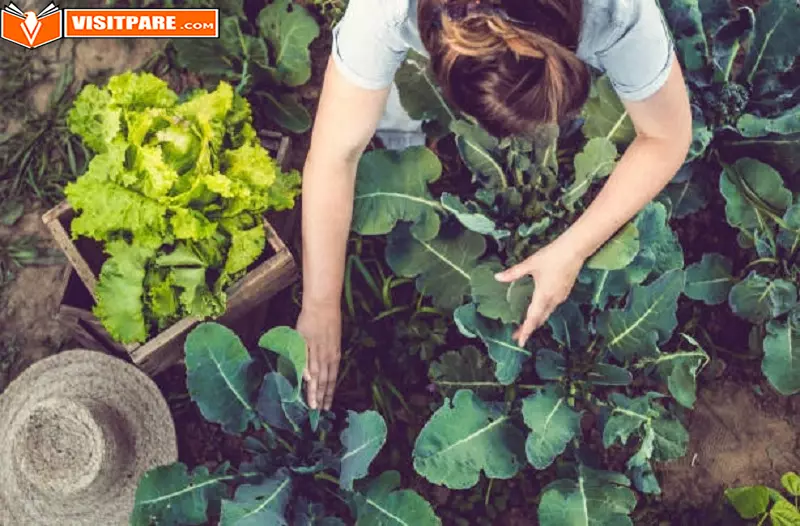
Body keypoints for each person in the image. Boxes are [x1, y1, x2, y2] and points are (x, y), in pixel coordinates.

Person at [297, 0, 692, 411]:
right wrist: (320, 304)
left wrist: (571, 249)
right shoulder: (385, 11)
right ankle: (401, 136)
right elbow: (334, 156)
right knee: (387, 106)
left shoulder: (617, 10)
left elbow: (667, 137)